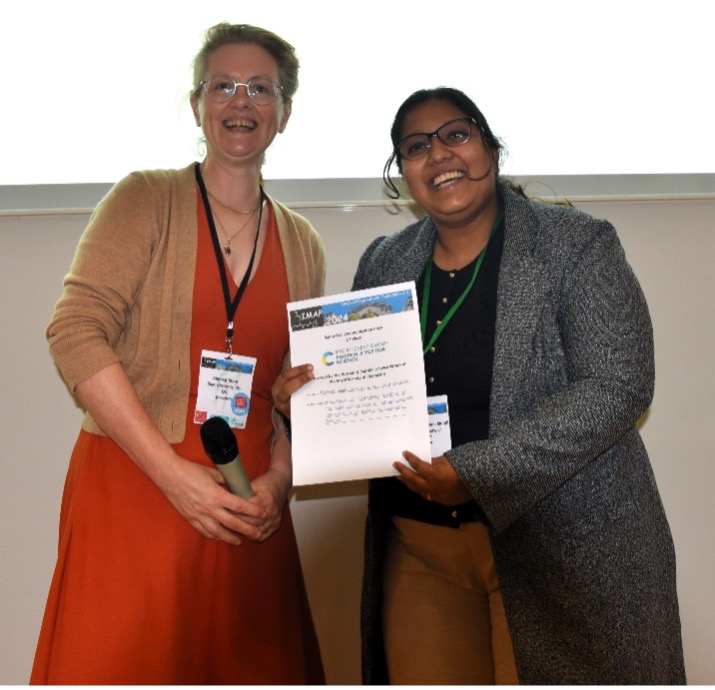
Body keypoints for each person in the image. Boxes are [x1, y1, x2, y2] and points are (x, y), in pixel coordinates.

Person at [274, 87, 686, 684]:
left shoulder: (576, 244)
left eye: (456, 134)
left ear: (490, 147)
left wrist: (477, 472)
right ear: (403, 174)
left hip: (555, 542)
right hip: (419, 548)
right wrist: (306, 408)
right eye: (416, 147)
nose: (439, 154)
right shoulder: (383, 261)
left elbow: (618, 384)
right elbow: (366, 401)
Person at [31, 22, 325, 685]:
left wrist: (279, 482)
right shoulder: (144, 198)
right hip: (136, 488)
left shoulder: (303, 241)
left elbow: (293, 389)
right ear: (197, 105)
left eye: (260, 88)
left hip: (248, 506)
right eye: (223, 86)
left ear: (284, 111)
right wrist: (173, 476)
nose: (241, 102)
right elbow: (74, 331)